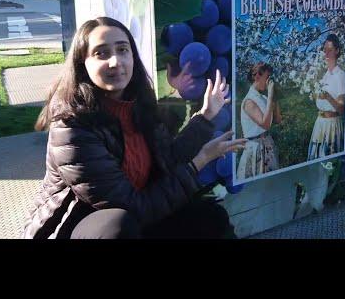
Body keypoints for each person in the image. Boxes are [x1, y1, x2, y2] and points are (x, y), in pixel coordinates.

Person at [22, 16, 245, 239]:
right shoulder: (72, 128)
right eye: (101, 53)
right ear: (82, 63)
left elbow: (168, 158)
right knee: (117, 227)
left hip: (138, 214)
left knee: (211, 216)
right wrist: (199, 163)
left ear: (133, 57)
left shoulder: (139, 108)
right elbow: (133, 208)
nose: (115, 61)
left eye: (122, 49)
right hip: (78, 226)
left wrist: (206, 116)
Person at [236, 62, 282, 180]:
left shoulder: (263, 98)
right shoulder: (249, 101)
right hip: (255, 147)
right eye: (267, 78)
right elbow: (265, 124)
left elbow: (277, 119)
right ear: (257, 77)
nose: (268, 82)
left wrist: (275, 98)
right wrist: (270, 96)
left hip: (267, 144)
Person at [308, 33, 345, 160]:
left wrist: (328, 97)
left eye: (330, 50)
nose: (326, 54)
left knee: (329, 162)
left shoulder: (340, 75)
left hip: (331, 126)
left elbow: (341, 109)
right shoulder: (325, 75)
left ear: (337, 51)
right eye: (325, 50)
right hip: (320, 124)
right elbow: (321, 100)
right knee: (316, 160)